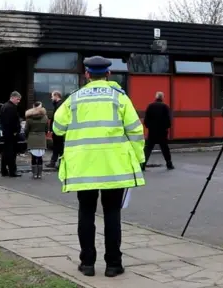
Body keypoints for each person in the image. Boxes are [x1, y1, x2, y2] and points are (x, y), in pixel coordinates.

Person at [52, 56, 146, 278]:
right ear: (108, 74)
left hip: (83, 168)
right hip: (114, 168)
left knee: (86, 213)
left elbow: (57, 127)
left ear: (86, 75)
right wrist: (139, 159)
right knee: (112, 214)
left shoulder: (73, 99)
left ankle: (87, 264)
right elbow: (135, 131)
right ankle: (113, 264)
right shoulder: (120, 98)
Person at [142, 91, 174, 171]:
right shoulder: (165, 107)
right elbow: (168, 120)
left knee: (148, 148)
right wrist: (166, 127)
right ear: (162, 98)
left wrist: (149, 126)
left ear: (156, 97)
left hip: (152, 131)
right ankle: (169, 164)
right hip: (162, 131)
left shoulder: (150, 106)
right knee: (165, 148)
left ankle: (143, 164)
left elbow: (146, 119)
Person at [0, 91, 22, 177]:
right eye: (18, 99)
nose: (19, 101)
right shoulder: (11, 107)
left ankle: (4, 170)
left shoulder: (4, 106)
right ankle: (12, 171)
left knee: (5, 152)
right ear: (13, 97)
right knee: (11, 153)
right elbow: (12, 122)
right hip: (11, 134)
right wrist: (15, 131)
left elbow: (1, 121)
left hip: (6, 133)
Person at [24, 101, 48, 179]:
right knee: (40, 157)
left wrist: (27, 136)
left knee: (33, 157)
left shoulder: (29, 118)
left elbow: (26, 130)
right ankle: (40, 174)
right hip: (41, 138)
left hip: (32, 137)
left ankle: (34, 174)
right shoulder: (45, 117)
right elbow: (46, 129)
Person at [46, 90, 65, 168]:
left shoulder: (59, 105)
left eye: (52, 96)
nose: (51, 98)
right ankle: (55, 162)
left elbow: (57, 118)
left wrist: (53, 129)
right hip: (57, 129)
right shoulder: (58, 104)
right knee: (57, 147)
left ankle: (56, 163)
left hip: (58, 130)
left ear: (57, 96)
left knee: (58, 147)